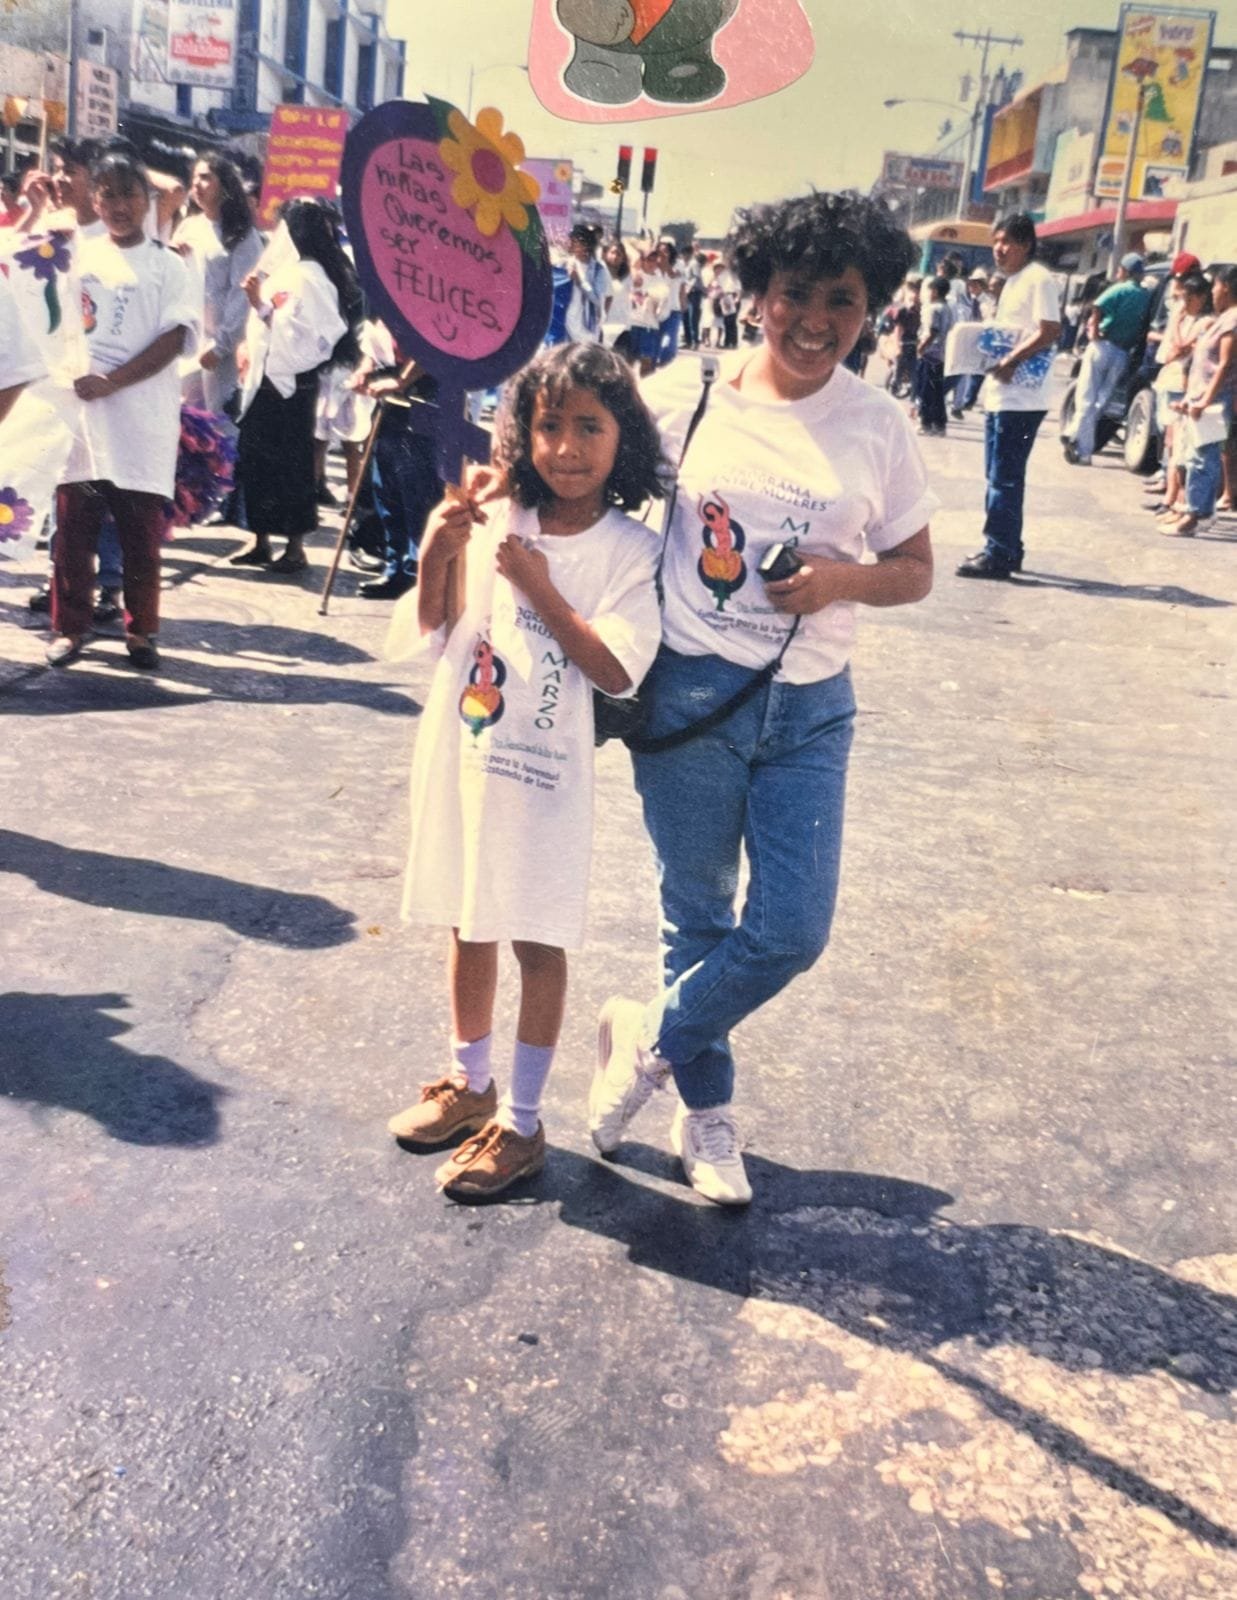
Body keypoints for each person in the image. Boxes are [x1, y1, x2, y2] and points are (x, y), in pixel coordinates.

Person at [587, 191, 936, 1205]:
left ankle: (643, 1039)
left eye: (844, 299)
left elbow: (914, 568)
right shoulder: (683, 397)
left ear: (873, 308)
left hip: (811, 709)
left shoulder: (877, 422)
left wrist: (838, 581)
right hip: (690, 694)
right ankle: (708, 1118)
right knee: (696, 914)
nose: (816, 319)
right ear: (757, 295)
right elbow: (582, 472)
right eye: (795, 294)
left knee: (790, 928)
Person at [387, 343, 665, 1200]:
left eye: (590, 426)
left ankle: (526, 1121)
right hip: (467, 749)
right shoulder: (494, 513)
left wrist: (542, 591)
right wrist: (438, 549)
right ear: (521, 431)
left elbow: (618, 670)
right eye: (548, 425)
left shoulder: (630, 550)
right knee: (468, 922)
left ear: (625, 440)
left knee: (535, 937)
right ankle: (471, 1084)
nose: (567, 448)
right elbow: (435, 631)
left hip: (543, 773)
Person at [44, 150, 198, 671]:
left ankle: (142, 633)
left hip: (139, 424)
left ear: (147, 199)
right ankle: (69, 629)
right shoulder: (76, 258)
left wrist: (113, 382)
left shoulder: (169, 264)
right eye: (106, 193)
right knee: (73, 534)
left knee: (139, 537)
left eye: (128, 192)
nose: (118, 204)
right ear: (94, 200)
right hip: (84, 422)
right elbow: (54, 327)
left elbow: (175, 338)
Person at [231, 199, 358, 574]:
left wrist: (262, 307)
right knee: (257, 463)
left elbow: (314, 333)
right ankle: (260, 539)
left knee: (292, 466)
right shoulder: (287, 272)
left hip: (292, 385)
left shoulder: (312, 276)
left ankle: (295, 546)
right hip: (263, 382)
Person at [956, 214, 1060, 580]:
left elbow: (1050, 330)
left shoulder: (1038, 279)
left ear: (1026, 244)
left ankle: (998, 553)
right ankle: (1007, 548)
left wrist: (1012, 360)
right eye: (995, 241)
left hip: (1023, 398)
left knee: (1005, 478)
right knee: (998, 475)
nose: (999, 249)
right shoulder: (1013, 281)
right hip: (1003, 394)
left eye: (1007, 242)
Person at [173, 153, 264, 414]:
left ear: (224, 184)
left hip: (220, 352)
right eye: (194, 179)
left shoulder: (242, 235)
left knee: (217, 427)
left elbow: (242, 294)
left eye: (205, 177)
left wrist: (221, 346)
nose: (197, 185)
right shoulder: (188, 226)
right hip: (186, 342)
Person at [1162, 265, 1237, 537]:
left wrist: (1205, 399)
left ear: (1226, 287)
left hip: (1214, 402)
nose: (1213, 292)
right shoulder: (1224, 317)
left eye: (1215, 286)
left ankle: (1197, 514)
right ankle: (1193, 508)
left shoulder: (1232, 320)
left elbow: (1225, 364)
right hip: (1201, 398)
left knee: (1203, 459)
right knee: (1194, 456)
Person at [1063, 252, 1152, 467]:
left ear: (1126, 270)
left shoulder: (1121, 288)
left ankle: (1080, 445)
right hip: (1122, 353)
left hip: (1103, 345)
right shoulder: (1146, 295)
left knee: (1085, 397)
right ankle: (1074, 433)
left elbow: (1097, 306)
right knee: (1100, 402)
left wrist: (1093, 329)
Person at [1147, 267, 1210, 522]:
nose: (1183, 302)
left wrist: (1179, 333)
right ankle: (1170, 498)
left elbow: (1183, 346)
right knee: (1171, 444)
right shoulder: (1181, 318)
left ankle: (1177, 500)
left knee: (1180, 448)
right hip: (1169, 378)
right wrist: (1177, 321)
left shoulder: (1205, 322)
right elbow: (1174, 346)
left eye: (1188, 297)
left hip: (1184, 385)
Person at [916, 275, 953, 436]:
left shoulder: (933, 308)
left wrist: (921, 348)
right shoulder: (947, 308)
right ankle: (939, 424)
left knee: (925, 390)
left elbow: (932, 331)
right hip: (942, 354)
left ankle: (925, 423)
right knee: (937, 391)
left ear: (935, 292)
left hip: (930, 353)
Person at [564, 223, 609, 343]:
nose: (572, 244)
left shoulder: (599, 270)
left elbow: (598, 300)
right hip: (565, 323)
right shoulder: (564, 264)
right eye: (571, 240)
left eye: (575, 241)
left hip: (586, 325)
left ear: (586, 245)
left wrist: (580, 281)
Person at [600, 238, 634, 360]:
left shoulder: (627, 276)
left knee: (620, 365)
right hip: (603, 328)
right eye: (613, 252)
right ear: (605, 254)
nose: (616, 256)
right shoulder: (600, 274)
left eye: (619, 254)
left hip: (622, 327)